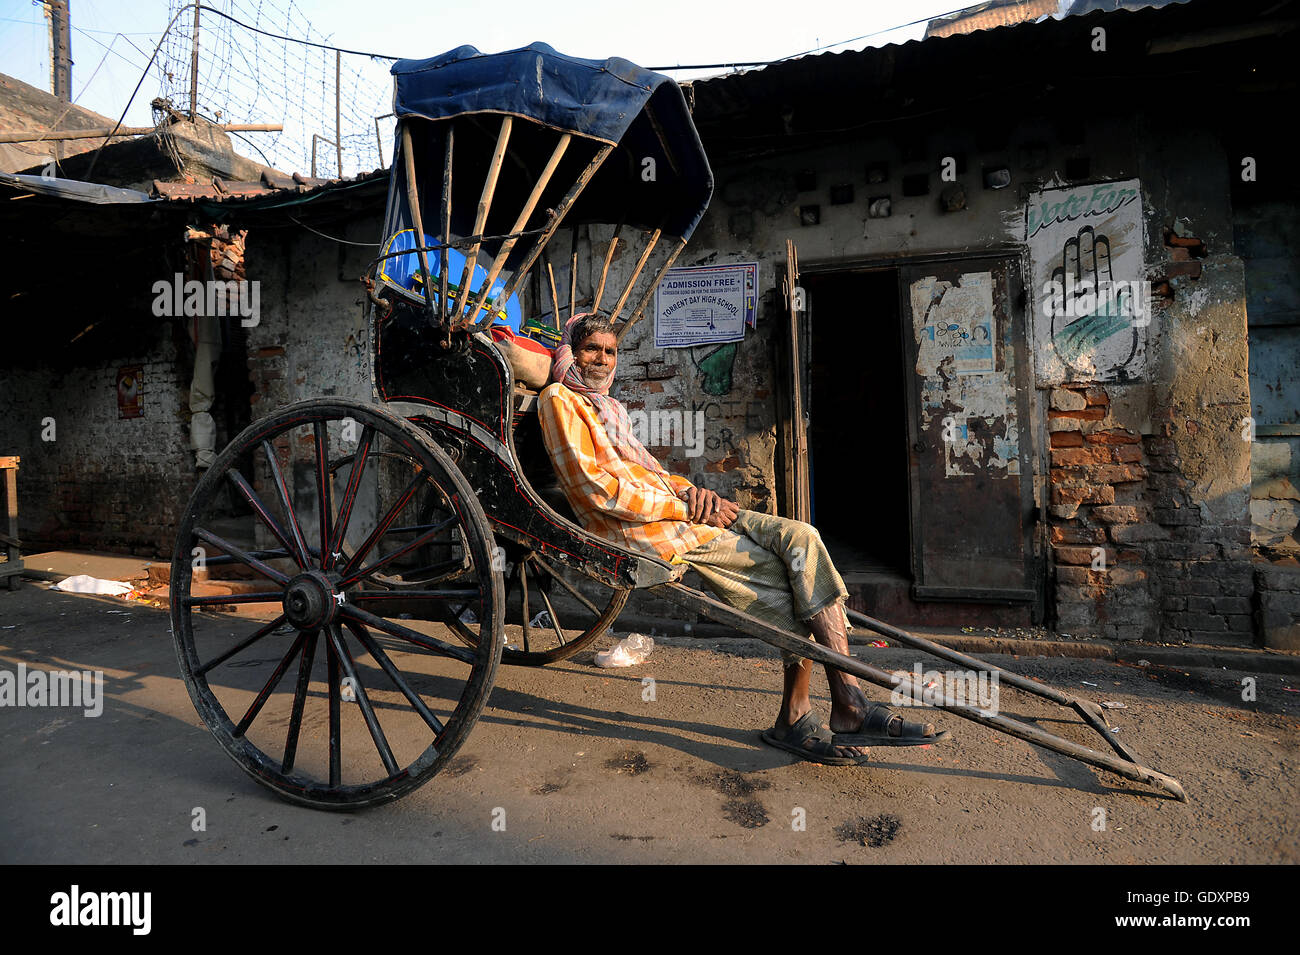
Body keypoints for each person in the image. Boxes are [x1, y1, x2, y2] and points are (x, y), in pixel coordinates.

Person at [537, 312, 948, 764]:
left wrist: (694, 491)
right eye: (592, 348)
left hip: (681, 514)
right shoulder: (560, 399)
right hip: (646, 532)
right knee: (795, 582)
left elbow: (644, 472)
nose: (601, 359)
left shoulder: (607, 406)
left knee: (802, 537)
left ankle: (843, 703)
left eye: (610, 351)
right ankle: (829, 709)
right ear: (572, 351)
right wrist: (685, 505)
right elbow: (597, 490)